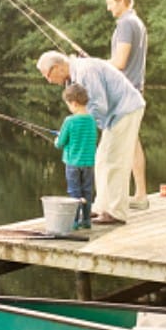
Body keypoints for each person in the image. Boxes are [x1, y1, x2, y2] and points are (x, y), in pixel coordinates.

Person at [36, 51, 145, 224]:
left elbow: (99, 105)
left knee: (114, 161)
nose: (48, 80)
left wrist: (81, 127)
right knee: (102, 160)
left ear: (56, 67)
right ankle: (101, 207)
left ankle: (116, 212)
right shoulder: (75, 76)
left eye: (47, 75)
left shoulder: (86, 71)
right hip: (113, 116)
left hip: (125, 110)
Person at [104, 0, 148, 210]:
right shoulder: (137, 23)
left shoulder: (125, 24)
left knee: (116, 147)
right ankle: (140, 194)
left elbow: (119, 62)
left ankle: (120, 198)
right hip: (135, 90)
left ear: (121, 0)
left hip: (124, 92)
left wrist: (96, 65)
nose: (109, 8)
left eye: (110, 3)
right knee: (132, 143)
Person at [54, 83, 97, 229]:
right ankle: (86, 220)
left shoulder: (69, 121)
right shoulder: (91, 120)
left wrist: (57, 138)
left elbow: (60, 143)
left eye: (68, 105)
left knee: (74, 192)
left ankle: (74, 222)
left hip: (72, 163)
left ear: (73, 103)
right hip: (89, 163)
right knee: (87, 191)